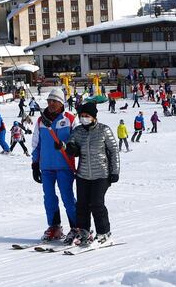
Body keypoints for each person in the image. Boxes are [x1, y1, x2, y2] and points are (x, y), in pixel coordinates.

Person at [56, 101, 120, 246]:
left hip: (101, 174)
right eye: (82, 115)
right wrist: (65, 146)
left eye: (87, 116)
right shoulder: (78, 131)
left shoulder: (104, 130)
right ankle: (84, 231)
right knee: (82, 205)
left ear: (94, 117)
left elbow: (113, 151)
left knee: (97, 204)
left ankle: (104, 232)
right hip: (83, 174)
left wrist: (114, 172)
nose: (84, 118)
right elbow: (73, 148)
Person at [31, 87, 78, 243]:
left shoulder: (71, 119)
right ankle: (54, 226)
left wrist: (67, 146)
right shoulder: (40, 121)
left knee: (68, 198)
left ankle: (76, 227)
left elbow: (78, 142)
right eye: (49, 101)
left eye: (54, 101)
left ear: (61, 103)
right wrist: (35, 164)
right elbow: (36, 144)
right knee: (49, 198)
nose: (51, 103)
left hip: (65, 165)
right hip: (46, 167)